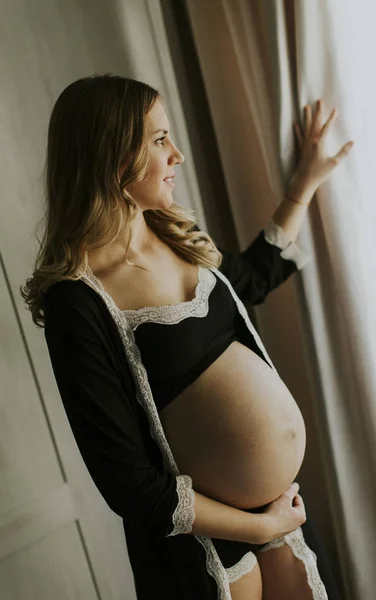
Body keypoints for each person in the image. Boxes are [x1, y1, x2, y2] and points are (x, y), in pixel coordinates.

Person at [21, 74, 354, 600]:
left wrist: (303, 186)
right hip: (204, 550)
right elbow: (128, 483)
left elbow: (250, 280)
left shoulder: (176, 236)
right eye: (158, 140)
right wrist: (258, 528)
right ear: (111, 155)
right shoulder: (77, 302)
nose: (177, 154)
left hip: (279, 519)